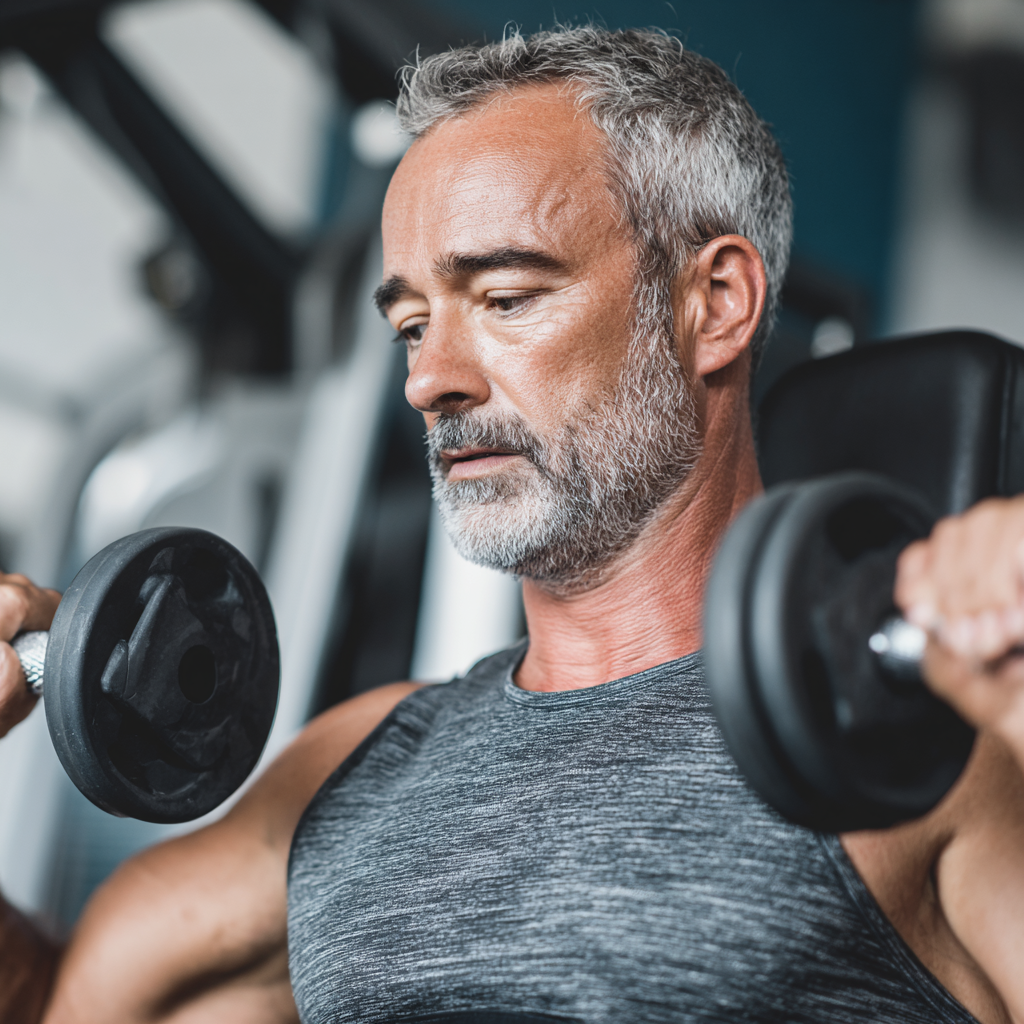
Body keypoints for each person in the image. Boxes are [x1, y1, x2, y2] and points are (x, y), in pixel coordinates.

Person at [2, 25, 1024, 1024]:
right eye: (412, 326)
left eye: (504, 298)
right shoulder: (359, 763)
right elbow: (55, 1006)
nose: (428, 381)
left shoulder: (916, 733)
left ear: (714, 303)